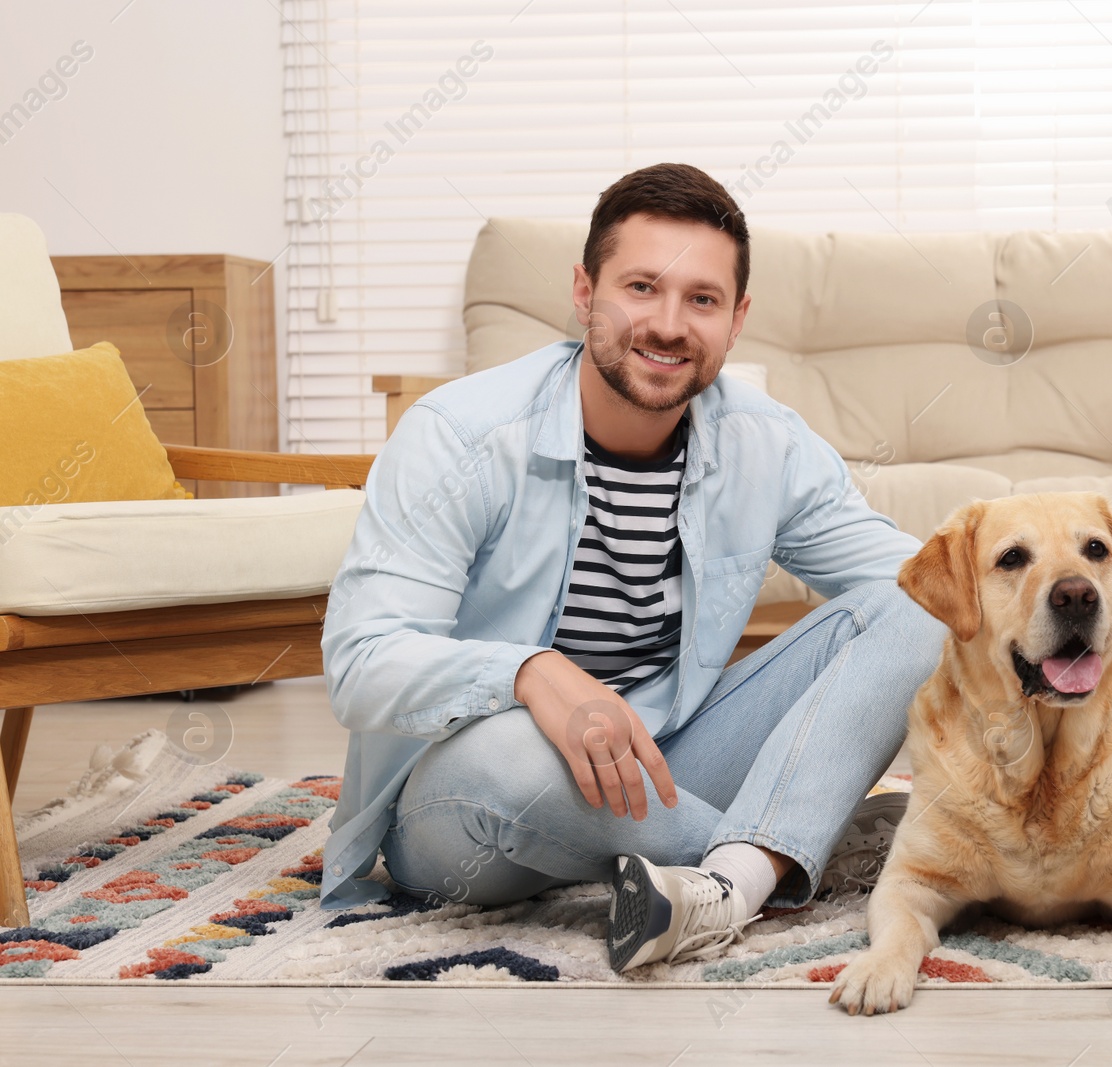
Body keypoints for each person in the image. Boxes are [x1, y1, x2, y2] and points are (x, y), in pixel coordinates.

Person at [316, 162, 953, 971]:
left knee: (923, 605)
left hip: (665, 762)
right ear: (584, 293)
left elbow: (931, 585)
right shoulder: (459, 435)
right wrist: (530, 674)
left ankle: (729, 881)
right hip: (466, 799)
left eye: (702, 299)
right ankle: (795, 841)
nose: (668, 323)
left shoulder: (767, 442)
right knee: (509, 754)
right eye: (641, 286)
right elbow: (361, 663)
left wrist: (1106, 667)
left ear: (736, 318)